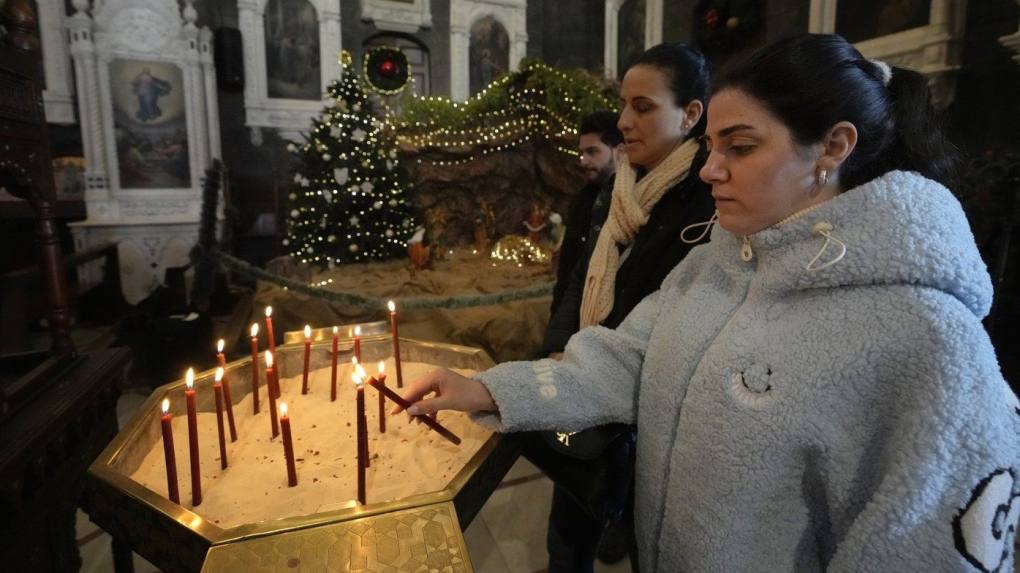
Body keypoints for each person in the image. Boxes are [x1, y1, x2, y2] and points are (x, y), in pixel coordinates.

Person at [397, 33, 1020, 572]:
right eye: (712, 145)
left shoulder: (926, 338)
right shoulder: (716, 261)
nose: (708, 170)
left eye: (740, 147)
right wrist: (487, 391)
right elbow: (626, 358)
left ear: (833, 147)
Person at [529, 43, 715, 573]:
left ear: (691, 114)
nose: (624, 121)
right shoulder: (611, 189)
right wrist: (558, 350)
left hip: (650, 408)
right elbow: (575, 283)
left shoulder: (709, 196)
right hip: (582, 391)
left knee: (648, 547)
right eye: (623, 105)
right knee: (565, 546)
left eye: (643, 106)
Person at [549, 111, 625, 317]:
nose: (584, 161)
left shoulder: (631, 205)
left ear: (619, 152)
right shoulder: (581, 201)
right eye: (582, 152)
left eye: (593, 152)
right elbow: (567, 273)